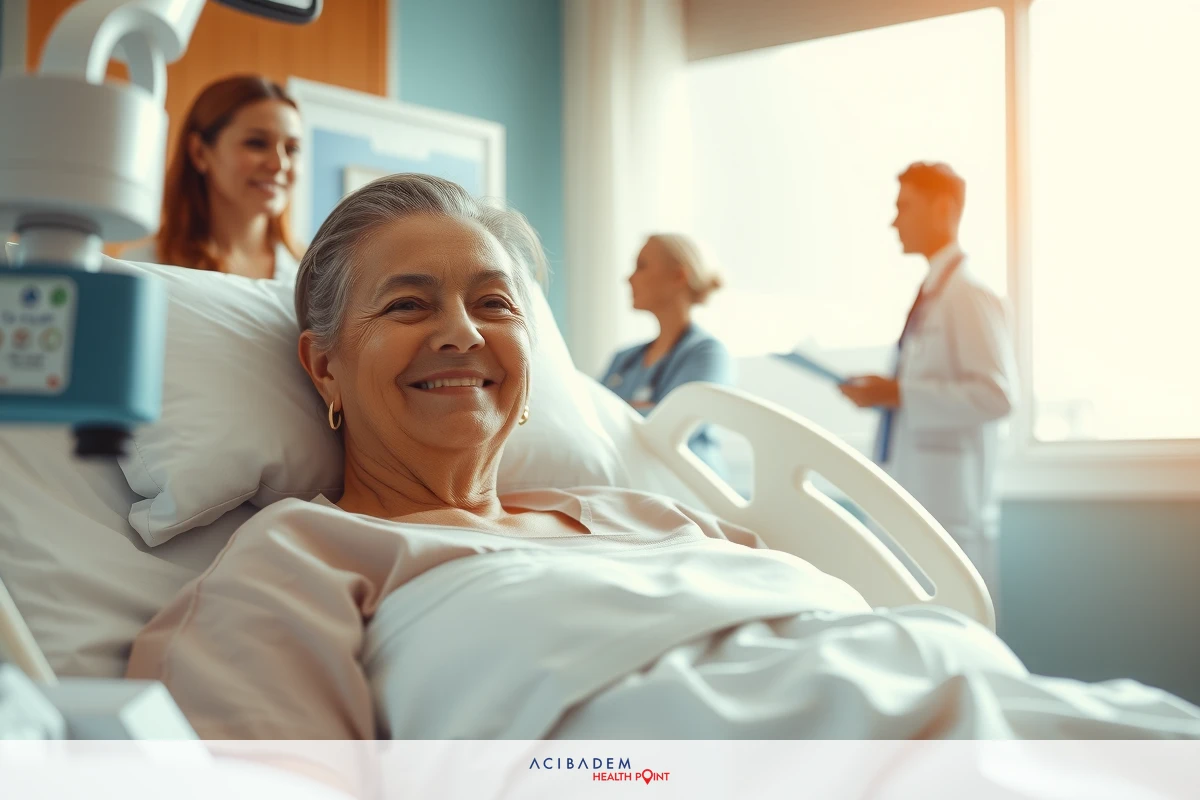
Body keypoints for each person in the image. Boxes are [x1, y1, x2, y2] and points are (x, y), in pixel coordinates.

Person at [125, 175, 1198, 741]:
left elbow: (844, 637)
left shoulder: (649, 512)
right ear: (322, 366)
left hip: (986, 703)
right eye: (409, 304)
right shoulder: (306, 551)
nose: (461, 330)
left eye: (494, 302)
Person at [839, 162, 1018, 598]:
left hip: (950, 501)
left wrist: (900, 393)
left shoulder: (969, 293)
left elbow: (997, 396)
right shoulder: (933, 291)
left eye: (904, 207)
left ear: (942, 208)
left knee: (951, 625)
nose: (894, 220)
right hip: (916, 486)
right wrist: (886, 393)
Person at [121, 75, 304, 281]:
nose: (279, 164)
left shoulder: (315, 277)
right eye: (256, 143)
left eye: (292, 149)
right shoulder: (143, 268)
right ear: (199, 152)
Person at [599, 234, 734, 474]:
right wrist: (642, 410)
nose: (628, 278)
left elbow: (675, 429)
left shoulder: (708, 354)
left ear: (679, 276)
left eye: (641, 266)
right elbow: (588, 417)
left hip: (692, 496)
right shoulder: (624, 358)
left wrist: (618, 412)